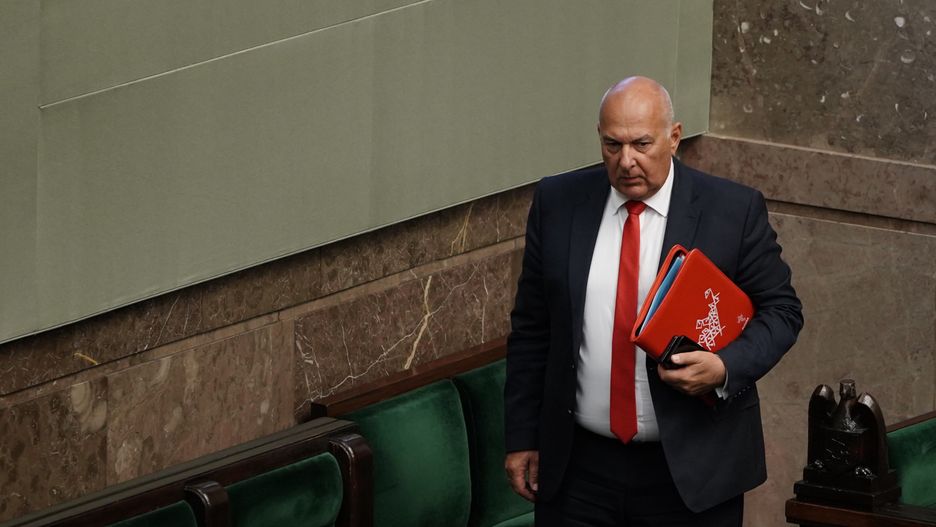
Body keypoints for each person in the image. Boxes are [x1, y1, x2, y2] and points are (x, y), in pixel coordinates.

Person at [503, 76, 803, 526]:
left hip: (691, 471)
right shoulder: (557, 202)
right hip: (577, 471)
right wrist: (523, 436)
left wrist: (724, 368)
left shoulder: (731, 210)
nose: (626, 161)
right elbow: (532, 328)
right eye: (612, 145)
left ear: (674, 137)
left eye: (642, 144)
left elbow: (782, 311)